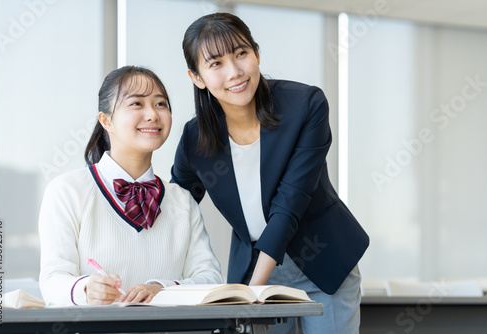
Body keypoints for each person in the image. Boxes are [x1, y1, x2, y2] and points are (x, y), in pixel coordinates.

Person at [171, 12, 369, 333]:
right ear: (197, 77)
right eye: (216, 63)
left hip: (323, 262)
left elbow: (290, 202)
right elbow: (176, 208)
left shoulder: (304, 105)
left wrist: (253, 292)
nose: (234, 72)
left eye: (241, 54)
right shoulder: (195, 138)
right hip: (255, 270)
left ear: (257, 54)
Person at [39, 66, 223, 306]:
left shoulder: (182, 200)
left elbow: (210, 279)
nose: (152, 115)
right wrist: (85, 288)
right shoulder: (67, 190)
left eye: (160, 104)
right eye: (136, 104)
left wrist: (163, 289)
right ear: (107, 120)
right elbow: (52, 280)